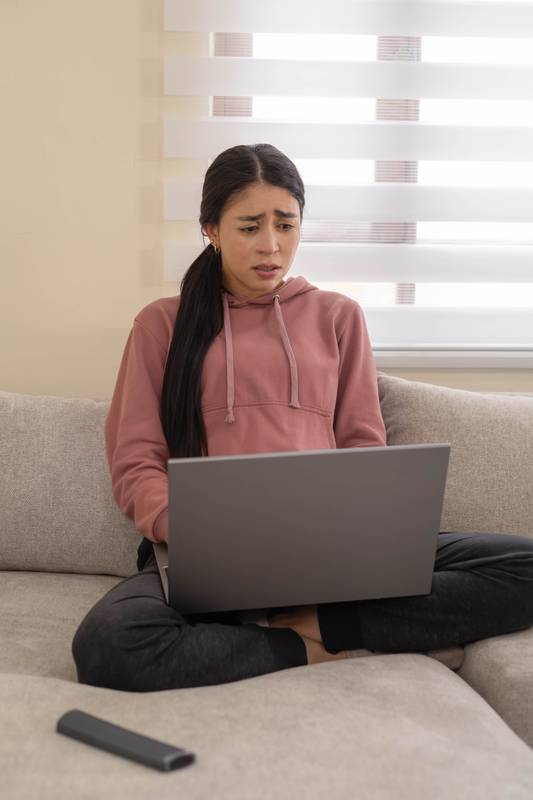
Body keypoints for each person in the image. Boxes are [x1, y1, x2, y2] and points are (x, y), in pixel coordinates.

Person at [72, 143, 533, 692]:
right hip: (212, 550)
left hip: (332, 547)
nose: (271, 246)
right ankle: (305, 647)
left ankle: (331, 623)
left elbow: (364, 446)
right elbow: (136, 461)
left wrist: (367, 534)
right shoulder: (161, 325)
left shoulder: (339, 317)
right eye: (248, 227)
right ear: (211, 230)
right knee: (109, 643)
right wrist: (191, 530)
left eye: (285, 225)